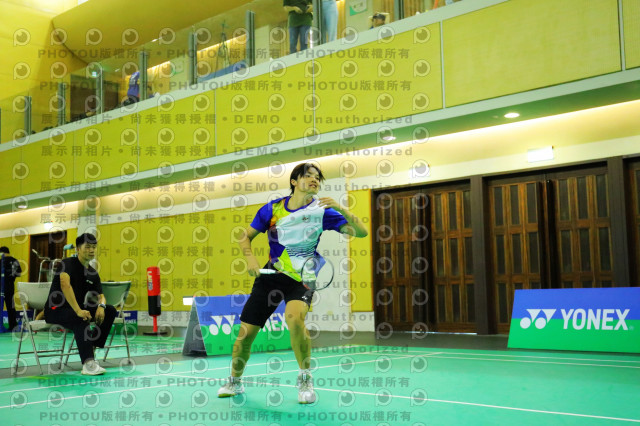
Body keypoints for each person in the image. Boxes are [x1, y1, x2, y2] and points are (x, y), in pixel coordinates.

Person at [217, 162, 368, 403]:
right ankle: (235, 381)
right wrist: (251, 260)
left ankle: (305, 378)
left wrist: (340, 207)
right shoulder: (273, 209)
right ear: (294, 182)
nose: (314, 180)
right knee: (246, 334)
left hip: (302, 278)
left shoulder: (323, 212)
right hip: (271, 276)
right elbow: (245, 237)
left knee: (295, 318)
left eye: (317, 177)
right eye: (308, 176)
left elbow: (361, 232)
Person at [44, 233, 117, 375]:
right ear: (78, 249)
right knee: (81, 317)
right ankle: (88, 364)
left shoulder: (92, 273)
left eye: (94, 247)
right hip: (55, 310)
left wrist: (101, 306)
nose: (91, 250)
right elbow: (65, 285)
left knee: (110, 310)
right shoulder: (66, 264)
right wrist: (78, 310)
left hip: (75, 309)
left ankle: (91, 349)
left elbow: (101, 296)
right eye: (87, 247)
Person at [1, 247, 22, 331]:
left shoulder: (1, 261)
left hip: (1, 287)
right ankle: (13, 326)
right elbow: (19, 274)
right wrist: (11, 275)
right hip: (10, 286)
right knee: (11, 307)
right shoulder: (15, 261)